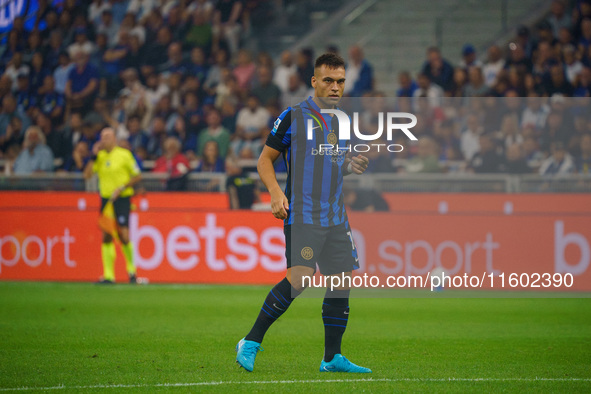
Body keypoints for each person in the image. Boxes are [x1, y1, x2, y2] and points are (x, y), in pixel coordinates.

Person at [235, 53, 371, 374]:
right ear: (314, 81)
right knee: (299, 280)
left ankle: (332, 358)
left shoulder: (342, 121)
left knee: (341, 282)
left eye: (340, 81)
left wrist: (351, 166)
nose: (335, 87)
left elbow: (335, 167)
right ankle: (251, 341)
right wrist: (275, 193)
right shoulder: (293, 116)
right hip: (303, 214)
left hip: (336, 216)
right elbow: (264, 160)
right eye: (328, 80)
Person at [84, 127, 142, 284]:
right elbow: (87, 175)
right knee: (107, 235)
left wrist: (122, 187)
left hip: (122, 198)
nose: (104, 139)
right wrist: (93, 156)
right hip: (106, 200)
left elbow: (137, 175)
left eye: (107, 136)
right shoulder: (100, 157)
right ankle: (109, 275)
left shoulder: (124, 155)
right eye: (102, 137)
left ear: (114, 138)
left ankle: (132, 272)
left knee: (124, 235)